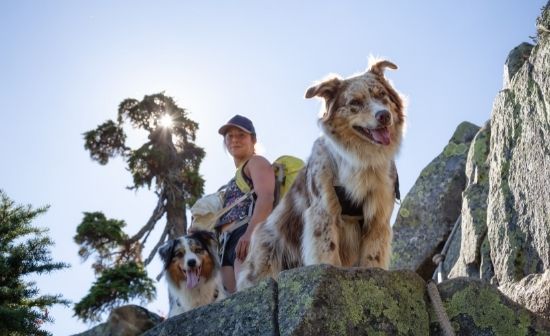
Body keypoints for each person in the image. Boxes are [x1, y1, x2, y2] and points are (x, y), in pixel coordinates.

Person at [215, 114, 275, 293]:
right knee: (233, 305)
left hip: (246, 232)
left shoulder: (256, 162)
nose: (234, 140)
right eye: (230, 136)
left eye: (241, 135)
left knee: (249, 296)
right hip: (226, 244)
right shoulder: (232, 180)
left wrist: (250, 234)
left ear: (253, 140)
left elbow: (266, 197)